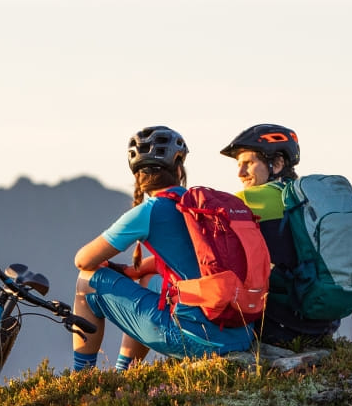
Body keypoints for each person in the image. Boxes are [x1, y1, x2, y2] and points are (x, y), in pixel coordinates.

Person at [70, 126, 255, 370]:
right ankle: (125, 373)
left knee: (87, 282)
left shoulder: (150, 210)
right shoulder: (196, 207)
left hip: (195, 340)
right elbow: (197, 260)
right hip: (240, 334)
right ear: (179, 169)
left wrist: (107, 267)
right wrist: (133, 271)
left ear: (138, 176)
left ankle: (82, 379)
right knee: (148, 280)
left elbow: (83, 260)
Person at [220, 123, 343, 348]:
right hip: (323, 323)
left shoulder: (246, 200)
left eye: (248, 163)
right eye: (239, 165)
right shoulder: (310, 198)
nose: (240, 173)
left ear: (277, 164)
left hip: (279, 326)